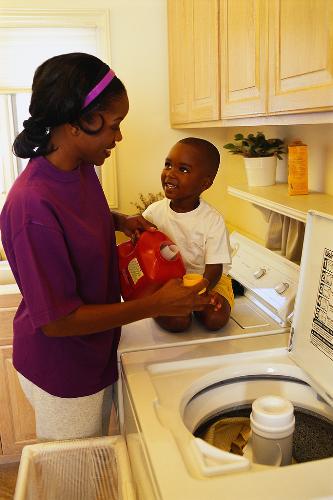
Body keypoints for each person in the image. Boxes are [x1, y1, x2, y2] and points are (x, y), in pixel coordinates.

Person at [0, 53, 212, 441]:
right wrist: (155, 304)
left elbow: (80, 213)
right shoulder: (31, 204)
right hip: (64, 370)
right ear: (78, 124)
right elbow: (58, 321)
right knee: (74, 483)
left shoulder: (80, 168)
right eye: (114, 126)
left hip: (97, 349)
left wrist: (118, 220)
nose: (119, 137)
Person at [143, 137, 234, 333]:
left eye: (183, 169)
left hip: (209, 280)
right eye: (168, 165)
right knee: (178, 323)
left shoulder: (212, 220)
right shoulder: (153, 213)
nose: (170, 174)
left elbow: (215, 268)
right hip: (170, 282)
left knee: (215, 319)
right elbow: (140, 249)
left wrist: (201, 291)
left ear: (205, 183)